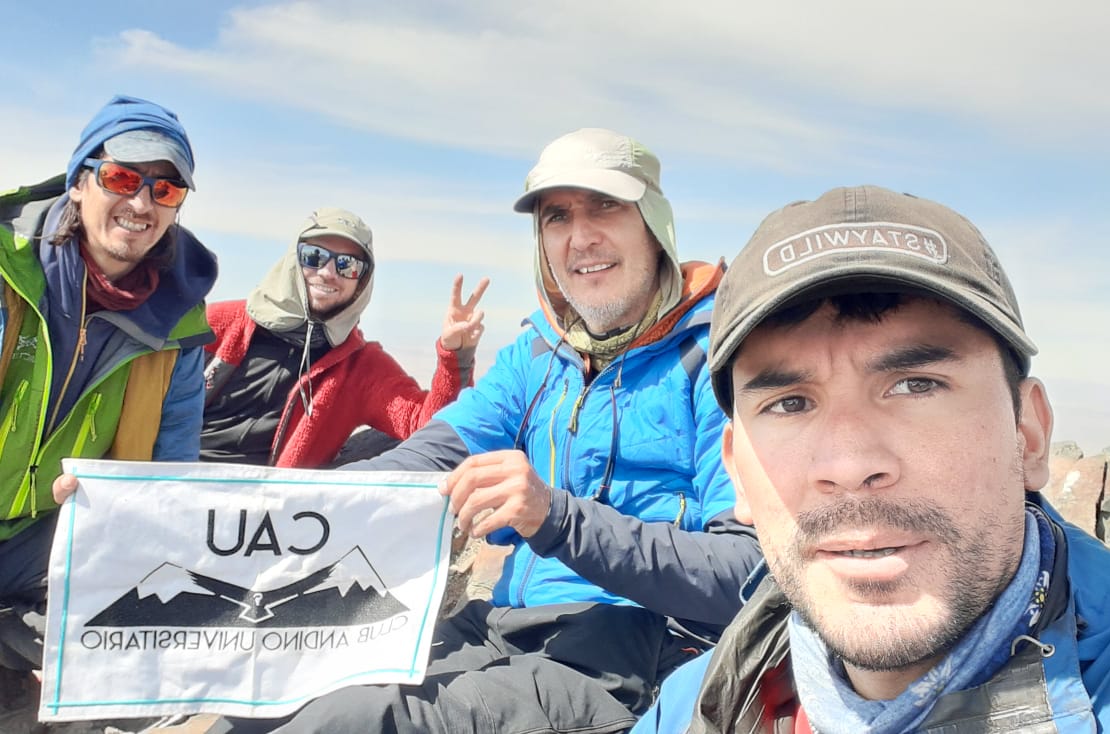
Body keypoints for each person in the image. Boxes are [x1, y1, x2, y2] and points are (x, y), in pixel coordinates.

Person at [635, 185, 1110, 733]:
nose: (848, 462)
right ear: (738, 470)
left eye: (915, 386)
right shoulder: (689, 708)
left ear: (1029, 434)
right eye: (789, 403)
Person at [213, 128, 763, 734]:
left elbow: (747, 571)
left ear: (654, 224)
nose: (580, 237)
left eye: (606, 206)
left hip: (632, 650)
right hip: (504, 623)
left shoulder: (718, 362)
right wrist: (264, 506)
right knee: (275, 698)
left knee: (358, 721)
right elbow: (431, 451)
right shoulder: (540, 354)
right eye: (557, 217)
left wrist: (555, 517)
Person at [0, 95, 216, 673]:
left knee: (141, 637)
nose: (141, 203)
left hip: (49, 540)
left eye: (165, 190)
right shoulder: (6, 272)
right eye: (121, 177)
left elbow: (170, 478)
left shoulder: (179, 327)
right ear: (79, 183)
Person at [200, 207, 489, 468]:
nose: (328, 273)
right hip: (183, 484)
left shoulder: (360, 366)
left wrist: (455, 357)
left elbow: (431, 430)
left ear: (362, 281)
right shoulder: (220, 323)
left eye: (348, 265)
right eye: (314, 257)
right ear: (293, 259)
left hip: (276, 504)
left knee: (392, 448)